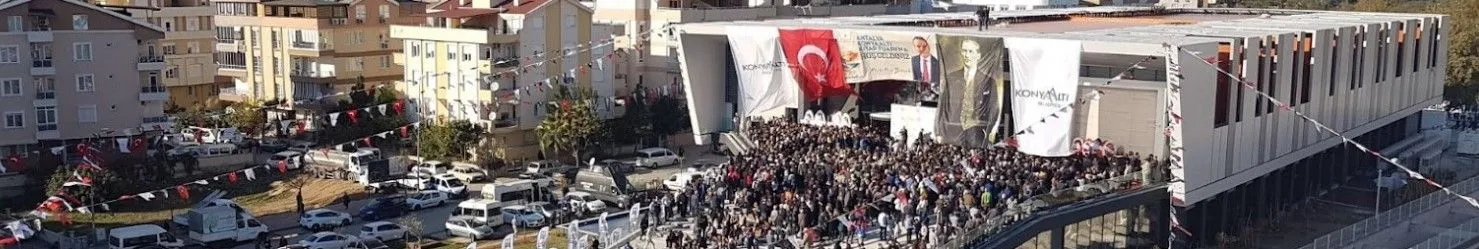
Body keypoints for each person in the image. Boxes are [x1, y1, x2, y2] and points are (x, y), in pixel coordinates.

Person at [941, 38, 1002, 148]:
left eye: (970, 51)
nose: (966, 55)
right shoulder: (951, 77)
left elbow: (994, 108)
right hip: (953, 129)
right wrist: (939, 131)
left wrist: (987, 131)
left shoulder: (989, 81)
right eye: (964, 51)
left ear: (978, 55)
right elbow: (943, 104)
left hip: (976, 130)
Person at [910, 37, 942, 102]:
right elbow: (915, 78)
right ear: (915, 47)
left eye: (924, 46)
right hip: (921, 97)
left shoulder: (939, 62)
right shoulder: (914, 60)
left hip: (936, 97)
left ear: (929, 46)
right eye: (918, 46)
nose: (922, 49)